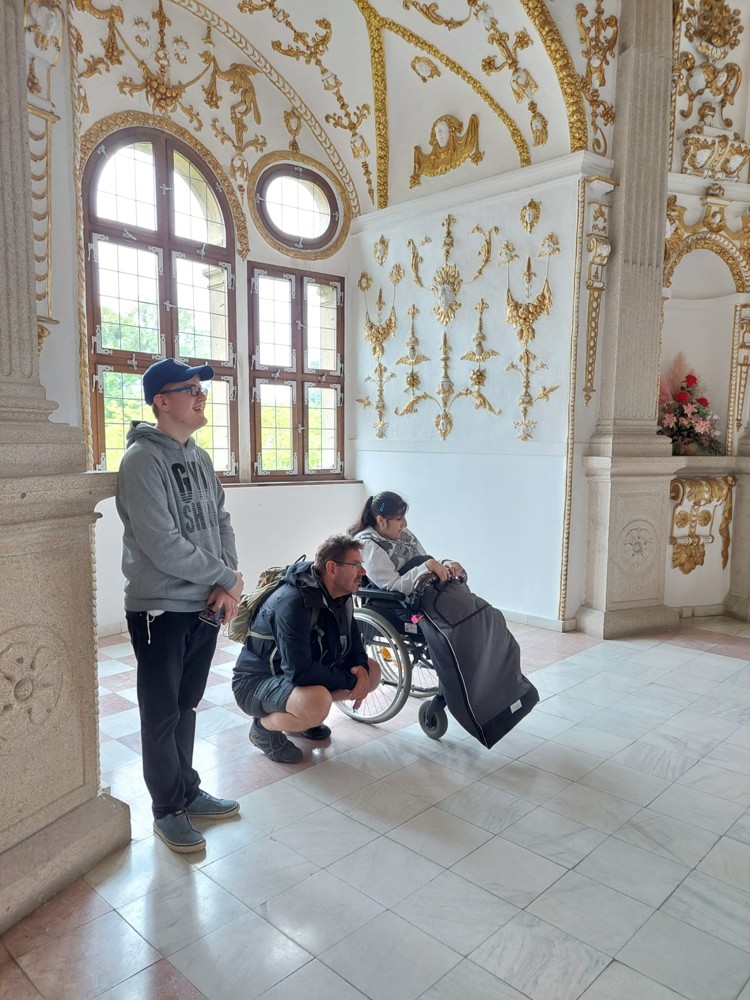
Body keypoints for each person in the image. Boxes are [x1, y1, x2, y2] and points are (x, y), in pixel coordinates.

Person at [116, 358, 244, 854]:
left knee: (186, 704)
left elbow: (222, 521)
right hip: (160, 609)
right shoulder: (141, 461)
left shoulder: (200, 457)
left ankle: (187, 790)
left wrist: (229, 581)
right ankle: (166, 809)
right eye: (189, 389)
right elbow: (162, 544)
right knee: (161, 713)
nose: (200, 396)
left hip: (205, 603)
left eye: (201, 389)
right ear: (161, 401)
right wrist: (225, 577)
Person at [232, 535, 381, 763]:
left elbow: (353, 640)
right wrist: (351, 681)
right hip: (255, 683)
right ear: (332, 568)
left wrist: (360, 667)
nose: (363, 571)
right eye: (355, 564)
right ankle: (263, 729)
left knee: (373, 671)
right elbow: (299, 672)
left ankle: (302, 720)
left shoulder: (342, 595)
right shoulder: (293, 602)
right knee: (316, 702)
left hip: (293, 677)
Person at [350, 491, 465, 595]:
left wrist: (444, 564)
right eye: (399, 518)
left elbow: (424, 561)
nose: (405, 524)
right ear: (381, 521)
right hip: (403, 602)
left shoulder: (403, 533)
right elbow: (394, 586)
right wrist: (429, 566)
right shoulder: (368, 544)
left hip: (428, 593)